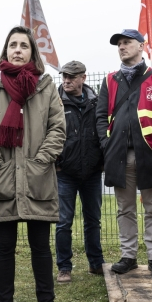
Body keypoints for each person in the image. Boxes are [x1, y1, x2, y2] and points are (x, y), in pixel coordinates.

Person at [0, 26, 69, 302]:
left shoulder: (45, 86)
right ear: (5, 52)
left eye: (23, 46)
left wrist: (42, 160)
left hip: (37, 177)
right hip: (3, 176)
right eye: (12, 45)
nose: (18, 50)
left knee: (41, 247)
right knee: (4, 248)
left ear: (32, 53)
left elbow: (57, 127)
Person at [96, 29, 152, 278]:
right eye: (119, 44)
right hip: (119, 156)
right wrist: (106, 144)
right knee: (125, 209)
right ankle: (128, 256)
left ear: (141, 46)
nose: (121, 47)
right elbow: (100, 116)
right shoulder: (110, 80)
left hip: (151, 154)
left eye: (127, 43)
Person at [54, 60, 105, 283]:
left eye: (72, 76)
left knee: (93, 220)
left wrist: (102, 161)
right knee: (64, 222)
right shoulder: (54, 102)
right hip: (65, 173)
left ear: (83, 78)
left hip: (92, 173)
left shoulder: (97, 102)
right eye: (64, 76)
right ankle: (64, 267)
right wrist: (56, 160)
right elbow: (47, 133)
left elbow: (104, 131)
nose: (66, 80)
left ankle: (96, 263)